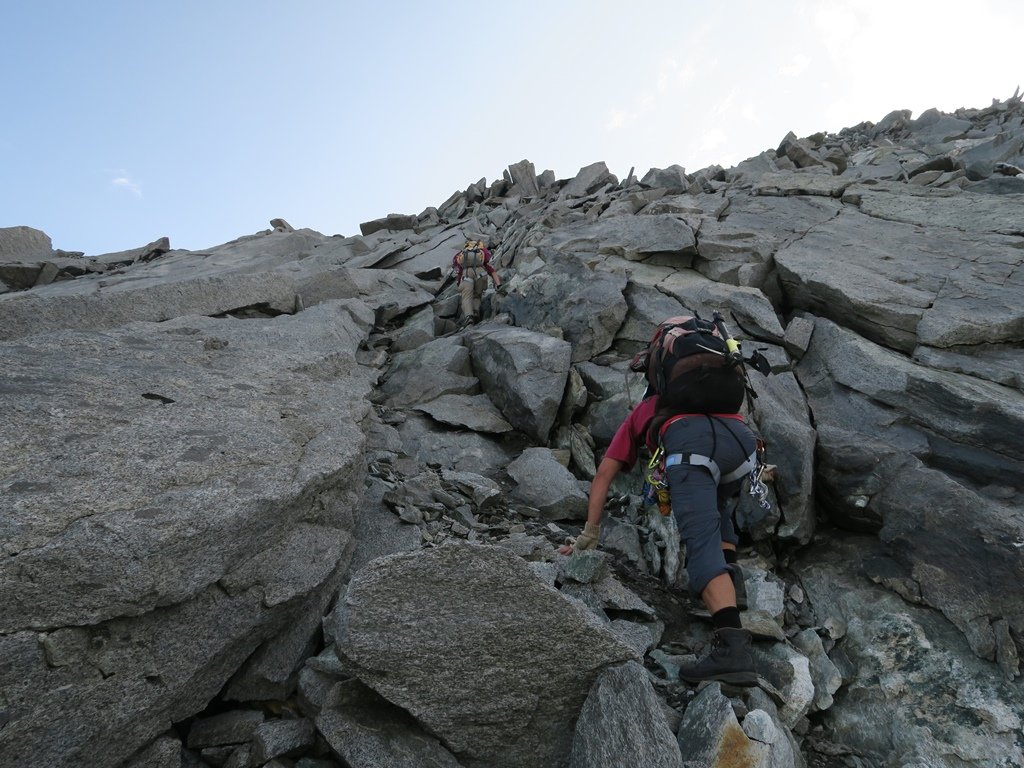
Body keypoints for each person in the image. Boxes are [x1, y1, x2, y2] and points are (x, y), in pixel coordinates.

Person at [560, 348, 760, 687]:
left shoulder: (645, 410)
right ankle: (732, 582)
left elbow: (604, 476)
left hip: (692, 447)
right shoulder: (716, 398)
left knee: (700, 539)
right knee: (717, 502)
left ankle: (732, 648)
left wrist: (588, 535)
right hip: (742, 445)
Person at [452, 239, 501, 326]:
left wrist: (460, 284)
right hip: (481, 274)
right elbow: (492, 272)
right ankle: (475, 312)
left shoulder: (462, 256)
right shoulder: (481, 256)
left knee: (467, 297)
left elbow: (459, 272)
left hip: (466, 274)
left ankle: (469, 317)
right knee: (477, 296)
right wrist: (499, 285)